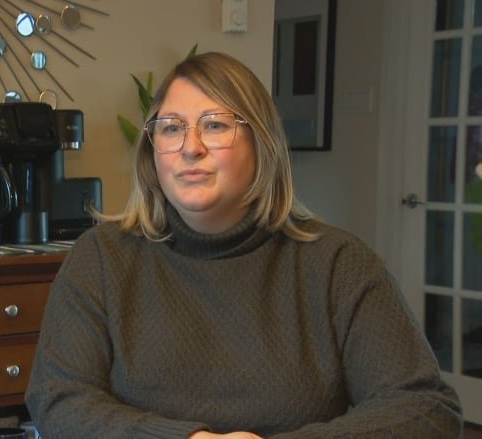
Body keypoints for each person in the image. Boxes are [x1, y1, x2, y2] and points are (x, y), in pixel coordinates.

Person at [24, 51, 462, 438]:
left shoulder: (338, 266)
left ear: (262, 144)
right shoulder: (103, 258)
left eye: (214, 125)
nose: (189, 148)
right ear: (151, 149)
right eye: (171, 128)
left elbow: (425, 409)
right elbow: (58, 399)